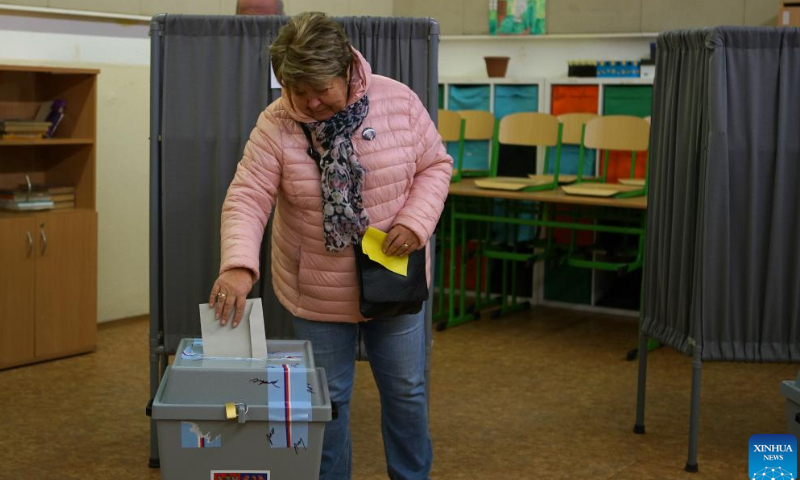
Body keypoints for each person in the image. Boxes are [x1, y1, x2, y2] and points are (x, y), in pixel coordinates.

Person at [208, 12, 452, 480]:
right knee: (328, 400)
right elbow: (249, 195)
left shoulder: (397, 101)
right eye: (299, 91)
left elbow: (435, 166)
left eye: (322, 89)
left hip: (394, 278)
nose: (312, 102)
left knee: (406, 390)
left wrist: (415, 222)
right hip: (316, 288)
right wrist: (238, 265)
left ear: (348, 72)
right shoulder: (276, 123)